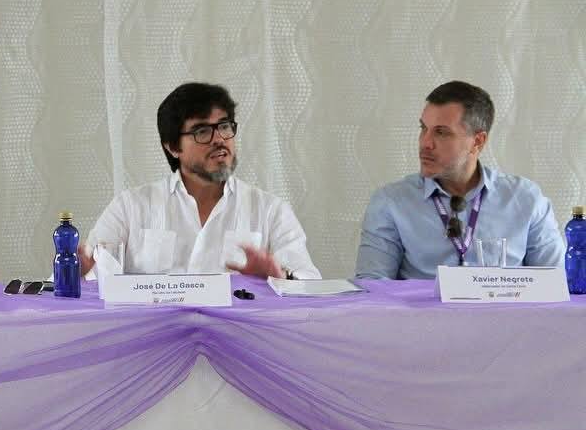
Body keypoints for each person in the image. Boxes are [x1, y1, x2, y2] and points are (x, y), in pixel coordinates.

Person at [79, 82, 320, 280]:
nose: (219, 139)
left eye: (224, 126)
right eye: (202, 131)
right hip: (157, 327)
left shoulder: (271, 210)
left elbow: (310, 285)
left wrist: (280, 277)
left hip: (236, 327)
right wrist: (77, 273)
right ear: (173, 147)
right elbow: (91, 276)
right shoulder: (130, 206)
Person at [355, 80, 564, 279]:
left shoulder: (525, 199)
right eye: (423, 128)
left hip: (504, 306)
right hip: (424, 307)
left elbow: (558, 284)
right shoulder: (391, 202)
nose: (425, 143)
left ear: (477, 142)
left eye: (441, 132)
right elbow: (372, 288)